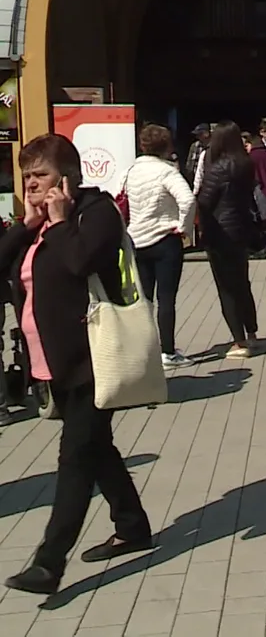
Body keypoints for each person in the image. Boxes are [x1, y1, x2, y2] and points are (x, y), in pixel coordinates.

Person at [0, 135, 152, 595]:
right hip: (52, 364)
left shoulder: (97, 214)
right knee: (96, 448)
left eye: (40, 176)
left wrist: (61, 221)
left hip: (92, 360)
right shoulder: (37, 222)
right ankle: (133, 525)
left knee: (75, 458)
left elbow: (81, 261)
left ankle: (49, 563)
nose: (31, 186)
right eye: (26, 177)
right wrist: (25, 227)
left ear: (66, 177)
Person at [125, 124, 196, 368]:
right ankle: (167, 351)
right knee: (166, 299)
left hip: (137, 239)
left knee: (143, 300)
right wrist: (183, 226)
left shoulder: (132, 170)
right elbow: (187, 199)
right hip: (165, 239)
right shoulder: (167, 172)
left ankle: (144, 351)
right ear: (166, 146)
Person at [197, 121, 260, 359]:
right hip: (241, 228)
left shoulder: (218, 168)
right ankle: (252, 333)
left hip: (220, 232)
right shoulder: (245, 164)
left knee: (226, 287)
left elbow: (205, 202)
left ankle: (238, 340)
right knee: (242, 283)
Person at [185, 123, 211, 189]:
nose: (197, 137)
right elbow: (189, 162)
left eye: (199, 135)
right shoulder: (194, 146)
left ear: (206, 134)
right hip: (194, 179)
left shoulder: (213, 147)